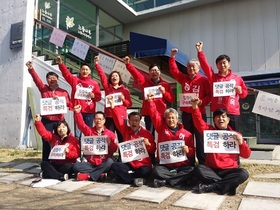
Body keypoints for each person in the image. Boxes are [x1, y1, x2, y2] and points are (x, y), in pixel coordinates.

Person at [191, 98, 251, 195]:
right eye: (217, 117)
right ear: (214, 119)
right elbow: (198, 121)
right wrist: (195, 107)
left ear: (228, 119)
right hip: (212, 170)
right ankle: (229, 185)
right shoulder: (209, 132)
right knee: (199, 169)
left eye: (223, 117)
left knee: (243, 173)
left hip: (230, 170)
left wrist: (241, 143)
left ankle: (212, 186)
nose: (220, 119)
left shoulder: (235, 135)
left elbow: (246, 155)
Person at [169, 49, 211, 165]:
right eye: (189, 67)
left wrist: (201, 102)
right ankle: (189, 162)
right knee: (188, 138)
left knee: (201, 138)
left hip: (199, 113)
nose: (191, 69)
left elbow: (209, 96)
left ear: (198, 69)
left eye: (194, 67)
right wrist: (172, 57)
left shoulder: (203, 80)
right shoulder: (183, 79)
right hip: (186, 113)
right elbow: (174, 71)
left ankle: (203, 163)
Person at [196, 41, 248, 132]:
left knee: (234, 137)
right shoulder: (213, 78)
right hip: (218, 112)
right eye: (219, 63)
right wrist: (200, 51)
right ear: (217, 65)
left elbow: (244, 94)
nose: (222, 65)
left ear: (229, 63)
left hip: (233, 112)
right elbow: (205, 66)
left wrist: (240, 91)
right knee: (219, 138)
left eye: (224, 63)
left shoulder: (237, 78)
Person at [146, 93, 195, 188]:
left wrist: (188, 150)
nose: (171, 120)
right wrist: (150, 102)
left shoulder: (187, 134)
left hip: (181, 166)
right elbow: (154, 115)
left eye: (173, 118)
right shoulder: (161, 128)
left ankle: (164, 182)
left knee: (192, 170)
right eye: (168, 118)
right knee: (156, 170)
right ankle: (179, 180)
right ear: (165, 119)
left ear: (177, 119)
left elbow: (192, 153)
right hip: (165, 166)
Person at [26, 61, 71, 162]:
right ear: (47, 80)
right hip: (47, 120)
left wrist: (59, 99)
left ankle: (61, 160)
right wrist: (31, 69)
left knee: (62, 139)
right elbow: (37, 80)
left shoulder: (63, 92)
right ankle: (45, 162)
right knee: (46, 141)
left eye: (54, 78)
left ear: (58, 79)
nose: (52, 79)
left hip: (60, 120)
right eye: (49, 78)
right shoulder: (43, 89)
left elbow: (68, 104)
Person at [107, 96, 156, 187]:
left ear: (140, 121)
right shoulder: (125, 130)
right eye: (132, 120)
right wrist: (112, 107)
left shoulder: (147, 134)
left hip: (142, 164)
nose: (134, 122)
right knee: (115, 166)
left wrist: (148, 144)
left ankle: (127, 178)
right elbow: (118, 120)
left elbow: (153, 150)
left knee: (145, 171)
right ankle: (133, 180)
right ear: (128, 121)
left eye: (136, 120)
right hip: (129, 163)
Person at [123, 56, 175, 136]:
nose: (154, 72)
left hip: (161, 114)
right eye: (152, 70)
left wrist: (164, 92)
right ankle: (151, 149)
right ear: (149, 73)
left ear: (159, 72)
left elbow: (171, 99)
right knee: (150, 135)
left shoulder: (165, 85)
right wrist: (128, 64)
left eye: (156, 70)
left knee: (163, 134)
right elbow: (136, 75)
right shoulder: (145, 83)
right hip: (148, 114)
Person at [56, 56, 101, 140]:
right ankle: (77, 153)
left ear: (90, 71)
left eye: (87, 69)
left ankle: (89, 153)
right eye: (83, 69)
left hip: (89, 112)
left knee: (89, 134)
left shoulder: (94, 83)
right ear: (80, 70)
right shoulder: (75, 80)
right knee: (77, 135)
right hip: (78, 111)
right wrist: (61, 64)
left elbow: (98, 97)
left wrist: (94, 96)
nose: (85, 71)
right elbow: (66, 74)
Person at [73, 105, 118, 181]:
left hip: (103, 162)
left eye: (100, 119)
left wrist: (110, 144)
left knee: (110, 162)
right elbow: (81, 125)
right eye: (96, 119)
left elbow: (115, 149)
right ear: (94, 120)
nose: (98, 121)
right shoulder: (89, 131)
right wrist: (78, 113)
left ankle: (88, 176)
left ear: (104, 120)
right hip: (91, 163)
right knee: (76, 166)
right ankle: (99, 174)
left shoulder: (110, 134)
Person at [94, 55, 132, 144]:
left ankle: (122, 157)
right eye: (112, 76)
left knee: (122, 138)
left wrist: (123, 99)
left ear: (119, 78)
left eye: (116, 76)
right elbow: (102, 76)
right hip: (109, 117)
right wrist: (96, 64)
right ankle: (109, 156)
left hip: (121, 117)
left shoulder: (125, 90)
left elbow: (129, 104)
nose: (114, 77)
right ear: (110, 79)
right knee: (109, 138)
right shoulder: (107, 88)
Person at [34, 114, 80, 180]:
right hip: (55, 164)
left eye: (63, 127)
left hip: (66, 164)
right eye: (59, 127)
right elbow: (44, 133)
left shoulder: (73, 140)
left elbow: (76, 154)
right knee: (44, 164)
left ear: (67, 128)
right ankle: (60, 176)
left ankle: (48, 174)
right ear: (56, 129)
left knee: (69, 167)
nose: (61, 129)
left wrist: (68, 152)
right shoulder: (54, 137)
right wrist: (38, 122)